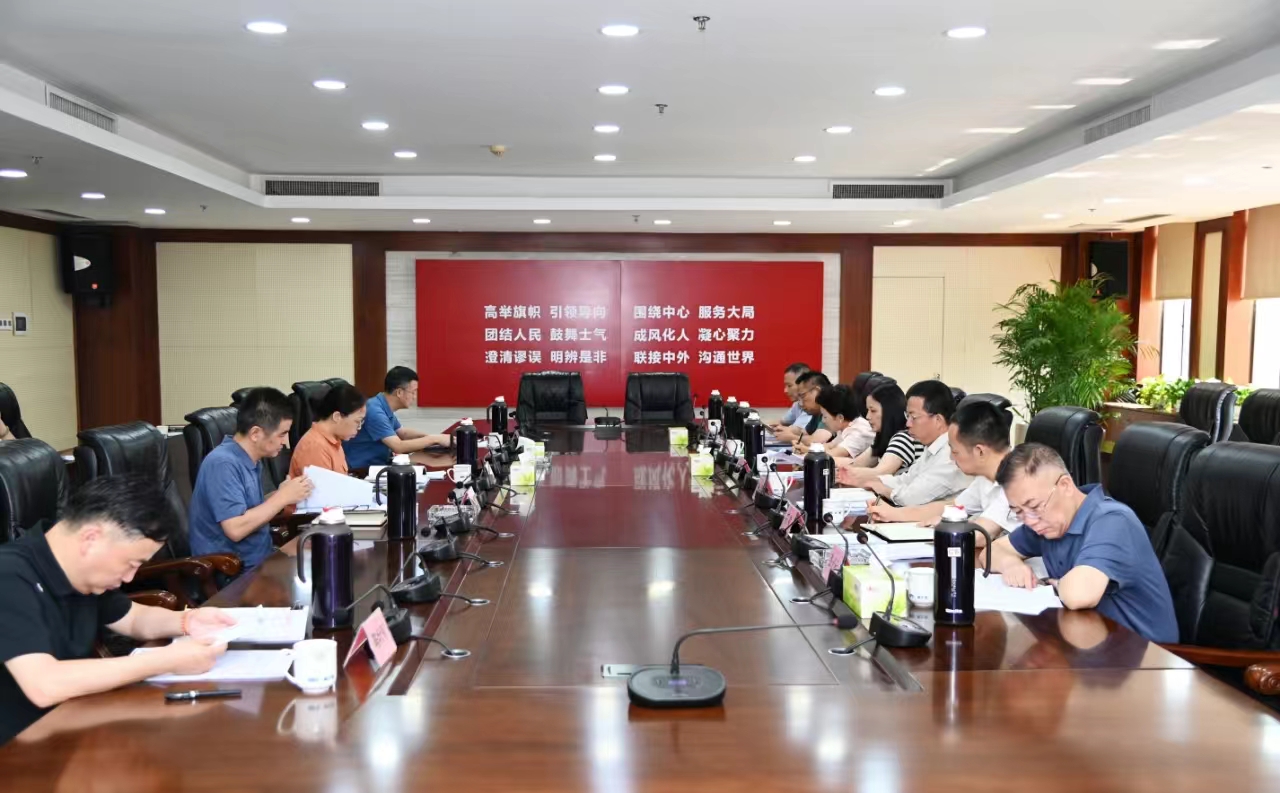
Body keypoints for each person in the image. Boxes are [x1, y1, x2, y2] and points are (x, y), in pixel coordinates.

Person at [0, 474, 235, 745]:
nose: (130, 577)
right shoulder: (9, 576)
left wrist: (187, 621)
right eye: (131, 563)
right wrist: (167, 660)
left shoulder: (81, 572)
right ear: (91, 538)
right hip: (18, 747)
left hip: (72, 722)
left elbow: (133, 618)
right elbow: (44, 685)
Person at [986, 443, 1179, 644]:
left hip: (1148, 653)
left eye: (1034, 506)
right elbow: (991, 552)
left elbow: (1078, 595)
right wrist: (1010, 564)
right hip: (1090, 640)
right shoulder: (1047, 523)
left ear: (1065, 486)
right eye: (1018, 512)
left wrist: (1054, 583)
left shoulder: (1113, 520)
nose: (1029, 520)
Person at [189, 387, 312, 571]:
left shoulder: (249, 459)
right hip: (233, 571)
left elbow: (250, 510)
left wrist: (281, 494)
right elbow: (235, 529)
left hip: (262, 558)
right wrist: (282, 498)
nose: (285, 442)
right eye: (281, 434)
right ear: (255, 434)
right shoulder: (223, 464)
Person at [866, 400, 1019, 539]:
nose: (951, 458)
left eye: (955, 451)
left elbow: (981, 534)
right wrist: (893, 514)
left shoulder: (1016, 478)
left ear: (979, 451)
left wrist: (945, 526)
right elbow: (952, 507)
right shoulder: (985, 477)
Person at [842, 379, 970, 506]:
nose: (908, 423)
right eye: (907, 416)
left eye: (913, 417)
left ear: (938, 420)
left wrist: (880, 487)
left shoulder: (950, 455)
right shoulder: (932, 448)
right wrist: (873, 482)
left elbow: (912, 497)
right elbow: (907, 479)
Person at [344, 367, 451, 469]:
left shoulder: (382, 404)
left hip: (378, 465)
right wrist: (434, 439)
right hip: (362, 470)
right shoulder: (375, 411)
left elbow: (402, 433)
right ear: (399, 392)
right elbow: (398, 446)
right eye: (413, 392)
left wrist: (433, 438)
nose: (415, 397)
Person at [838, 382, 922, 477]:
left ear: (889, 412)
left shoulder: (903, 439)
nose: (868, 416)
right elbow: (856, 464)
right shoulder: (883, 437)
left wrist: (841, 473)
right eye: (867, 410)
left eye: (873, 411)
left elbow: (879, 474)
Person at [289, 384, 367, 478]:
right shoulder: (315, 447)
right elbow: (323, 487)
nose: (359, 427)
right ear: (337, 417)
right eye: (357, 421)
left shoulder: (334, 441)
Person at [809, 384, 875, 460]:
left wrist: (807, 454)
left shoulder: (859, 432)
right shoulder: (846, 426)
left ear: (840, 418)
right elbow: (830, 446)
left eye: (825, 416)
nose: (823, 421)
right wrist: (805, 449)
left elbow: (833, 454)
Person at [772, 371, 833, 445]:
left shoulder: (832, 408)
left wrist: (791, 437)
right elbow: (804, 433)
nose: (800, 404)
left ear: (817, 391)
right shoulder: (816, 412)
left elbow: (816, 441)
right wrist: (785, 431)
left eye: (803, 396)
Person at [767, 362, 811, 433]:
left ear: (803, 384)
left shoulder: (812, 407)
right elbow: (782, 422)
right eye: (785, 386)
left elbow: (796, 431)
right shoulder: (797, 404)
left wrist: (779, 428)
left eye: (789, 386)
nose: (785, 391)